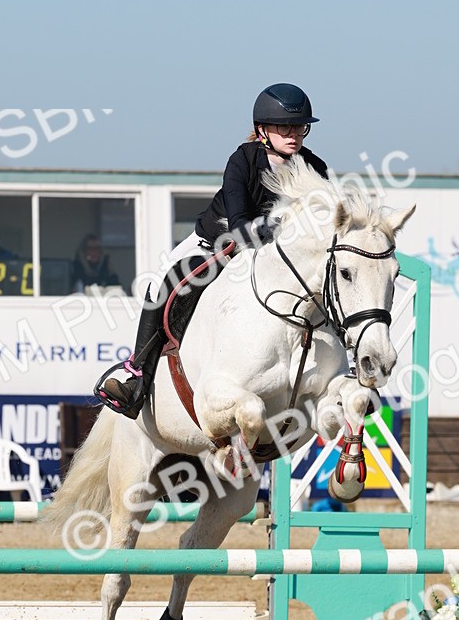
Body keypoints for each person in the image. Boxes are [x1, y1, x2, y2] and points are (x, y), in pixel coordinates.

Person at [100, 82, 328, 418]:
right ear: (263, 130)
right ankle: (137, 378)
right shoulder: (243, 160)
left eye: (299, 127)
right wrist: (275, 227)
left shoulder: (315, 168)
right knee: (164, 283)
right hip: (219, 243)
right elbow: (238, 224)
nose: (294, 134)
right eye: (284, 127)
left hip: (277, 257)